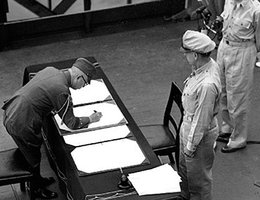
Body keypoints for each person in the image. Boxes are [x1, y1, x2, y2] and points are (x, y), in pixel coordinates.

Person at [2, 57, 103, 199]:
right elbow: (72, 123)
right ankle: (37, 188)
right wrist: (91, 119)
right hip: (21, 121)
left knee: (32, 152)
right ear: (79, 77)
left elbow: (39, 93)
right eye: (84, 84)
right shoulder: (61, 90)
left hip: (12, 110)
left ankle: (38, 180)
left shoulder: (52, 70)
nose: (82, 87)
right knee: (34, 156)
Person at [176, 30, 221, 200]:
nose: (185, 57)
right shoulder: (205, 65)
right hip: (189, 127)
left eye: (187, 53)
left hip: (197, 135)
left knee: (198, 185)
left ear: (195, 55)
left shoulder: (207, 85)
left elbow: (201, 120)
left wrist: (190, 147)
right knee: (185, 176)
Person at [216, 0, 260, 153]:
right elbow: (225, 17)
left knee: (238, 96)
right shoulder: (229, 1)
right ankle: (227, 127)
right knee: (223, 91)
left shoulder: (256, 10)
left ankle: (238, 139)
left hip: (243, 50)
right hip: (224, 47)